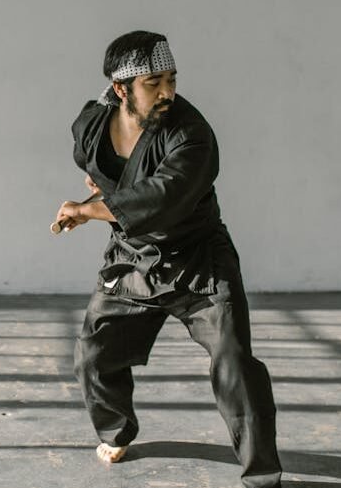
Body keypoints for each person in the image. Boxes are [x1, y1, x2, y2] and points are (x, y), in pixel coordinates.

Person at [55, 30, 282, 488]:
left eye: (171, 79)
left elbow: (166, 195)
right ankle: (117, 430)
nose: (167, 91)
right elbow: (93, 164)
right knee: (93, 355)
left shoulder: (192, 133)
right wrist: (103, 190)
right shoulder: (91, 124)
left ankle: (262, 475)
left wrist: (91, 210)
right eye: (153, 82)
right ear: (122, 89)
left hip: (198, 260)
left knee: (234, 362)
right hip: (132, 258)